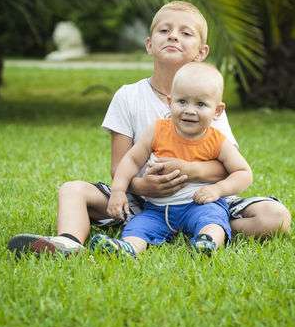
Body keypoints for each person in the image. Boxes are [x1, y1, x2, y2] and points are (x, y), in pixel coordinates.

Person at [8, 1, 291, 257]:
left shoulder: (208, 102)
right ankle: (68, 242)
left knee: (275, 216)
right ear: (149, 44)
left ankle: (207, 228)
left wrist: (188, 171)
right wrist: (143, 187)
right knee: (72, 190)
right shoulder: (128, 96)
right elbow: (120, 165)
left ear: (201, 52)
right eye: (164, 30)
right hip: (142, 200)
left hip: (203, 198)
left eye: (186, 33)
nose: (173, 36)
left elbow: (228, 167)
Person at [89, 62, 252, 257]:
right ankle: (127, 248)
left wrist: (218, 189)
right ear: (169, 101)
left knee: (212, 221)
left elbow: (244, 173)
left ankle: (207, 243)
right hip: (157, 209)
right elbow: (131, 160)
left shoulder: (217, 140)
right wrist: (117, 191)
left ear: (217, 110)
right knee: (138, 227)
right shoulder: (157, 131)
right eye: (182, 101)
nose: (190, 110)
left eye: (201, 104)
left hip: (199, 205)